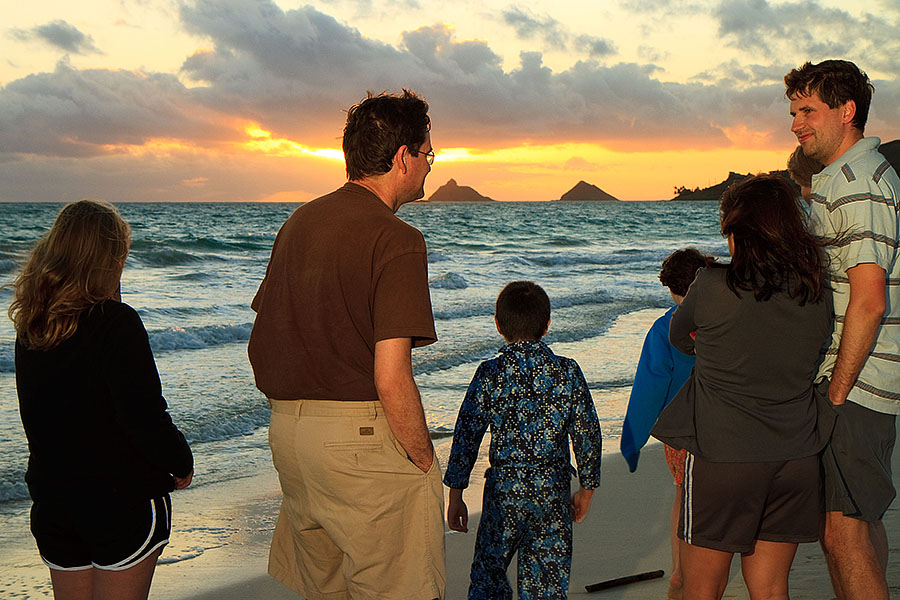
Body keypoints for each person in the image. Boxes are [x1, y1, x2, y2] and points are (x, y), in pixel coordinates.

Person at [247, 90, 445, 600]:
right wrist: (423, 459)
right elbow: (391, 374)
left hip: (291, 438)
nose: (429, 165)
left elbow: (267, 335)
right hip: (358, 444)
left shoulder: (297, 223)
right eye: (427, 153)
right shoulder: (397, 238)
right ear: (403, 156)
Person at [651, 174, 835, 600]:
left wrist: (720, 350)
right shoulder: (814, 289)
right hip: (795, 456)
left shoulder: (714, 285)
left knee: (703, 589)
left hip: (723, 456)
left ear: (738, 230)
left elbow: (679, 337)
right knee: (771, 589)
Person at [11, 200, 194, 600]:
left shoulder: (33, 325)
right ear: (107, 258)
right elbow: (144, 416)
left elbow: (41, 419)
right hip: (120, 503)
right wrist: (181, 462)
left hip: (55, 503)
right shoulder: (116, 323)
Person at [785, 59, 900, 600]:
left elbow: (869, 300)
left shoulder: (858, 183)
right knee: (859, 525)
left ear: (846, 111)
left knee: (841, 532)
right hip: (861, 382)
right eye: (793, 112)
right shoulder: (842, 179)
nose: (795, 123)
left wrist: (835, 391)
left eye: (807, 110)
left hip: (854, 384)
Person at [443, 281, 603, 600]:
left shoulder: (490, 373)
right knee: (546, 587)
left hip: (504, 494)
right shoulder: (566, 371)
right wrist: (587, 488)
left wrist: (456, 493)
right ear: (547, 325)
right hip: (551, 492)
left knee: (488, 580)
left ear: (498, 324)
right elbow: (587, 433)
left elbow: (466, 435)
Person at [620, 247, 715, 600]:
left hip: (679, 431)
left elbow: (650, 384)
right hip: (723, 424)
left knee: (683, 493)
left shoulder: (665, 328)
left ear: (673, 290)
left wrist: (632, 441)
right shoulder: (723, 320)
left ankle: (679, 571)